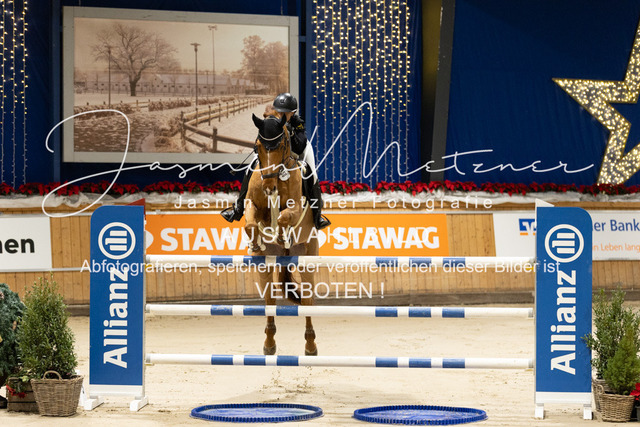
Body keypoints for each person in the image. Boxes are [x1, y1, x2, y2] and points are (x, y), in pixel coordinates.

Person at [221, 93, 331, 230]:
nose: (281, 114)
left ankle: (317, 215)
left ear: (293, 112)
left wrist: (290, 133)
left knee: (311, 173)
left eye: (285, 112)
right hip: (273, 155)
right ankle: (238, 208)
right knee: (250, 168)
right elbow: (259, 140)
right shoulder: (269, 122)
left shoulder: (297, 122)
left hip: (296, 153)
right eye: (279, 111)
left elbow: (299, 146)